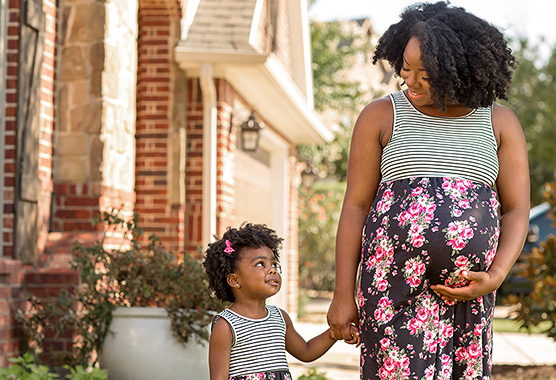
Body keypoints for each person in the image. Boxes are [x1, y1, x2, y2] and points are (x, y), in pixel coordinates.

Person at [326, 2, 530, 379]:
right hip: (391, 292)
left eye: (427, 73)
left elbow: (516, 209)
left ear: (462, 71)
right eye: (406, 67)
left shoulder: (499, 122)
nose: (411, 81)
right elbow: (355, 205)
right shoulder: (382, 115)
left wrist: (497, 274)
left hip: (468, 297)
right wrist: (343, 294)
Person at [203, 222, 359, 380]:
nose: (272, 269)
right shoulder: (226, 325)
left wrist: (333, 334)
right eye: (260, 264)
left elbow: (306, 351)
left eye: (274, 264)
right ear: (234, 280)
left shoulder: (280, 318)